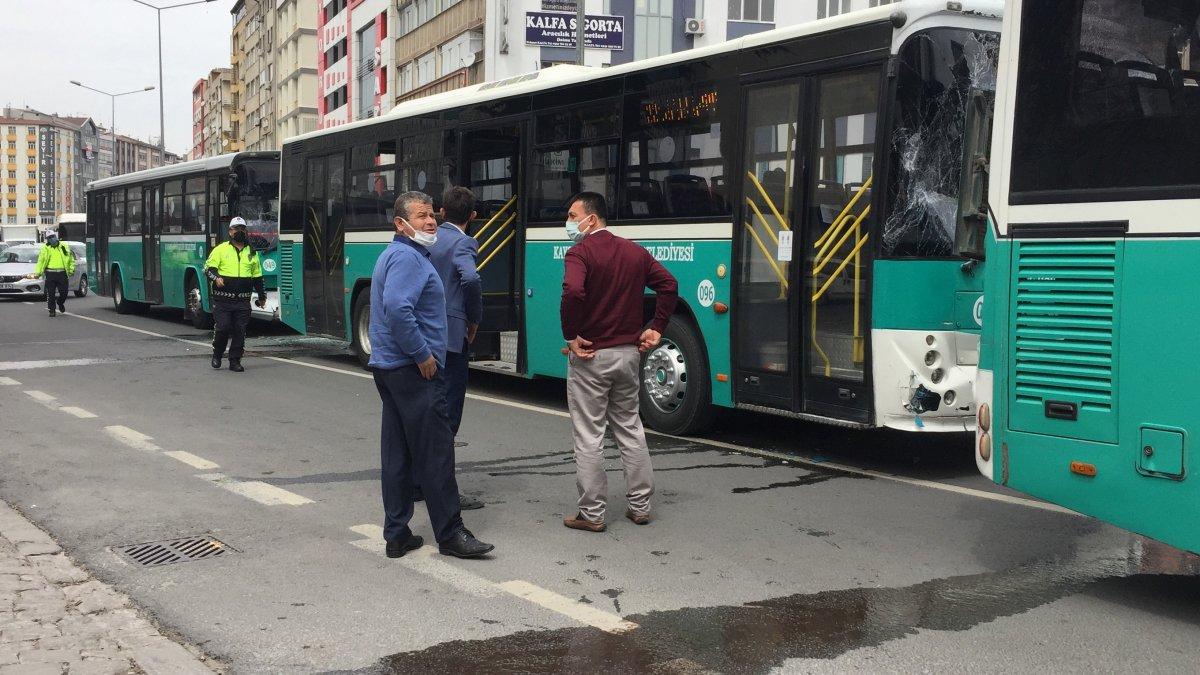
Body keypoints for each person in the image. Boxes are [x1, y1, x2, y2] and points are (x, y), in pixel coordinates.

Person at [369, 190, 494, 560]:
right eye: (421, 216)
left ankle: (397, 533)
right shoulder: (407, 258)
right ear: (400, 224)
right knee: (436, 451)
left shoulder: (396, 254)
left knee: (397, 454)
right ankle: (451, 533)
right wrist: (423, 354)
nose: (429, 222)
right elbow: (397, 308)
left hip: (390, 368)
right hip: (412, 370)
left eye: (431, 216)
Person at [559, 192, 678, 532]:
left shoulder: (579, 253)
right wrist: (657, 328)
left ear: (590, 219)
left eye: (572, 215)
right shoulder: (635, 252)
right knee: (630, 429)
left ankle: (592, 513)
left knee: (589, 435)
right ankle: (640, 506)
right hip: (629, 355)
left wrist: (571, 334)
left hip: (591, 356)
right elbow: (668, 285)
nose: (568, 223)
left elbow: (573, 292)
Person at [425, 186, 486, 510]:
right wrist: (473, 318)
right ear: (473, 216)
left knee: (429, 413)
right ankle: (445, 489)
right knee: (449, 416)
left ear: (442, 212)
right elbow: (471, 279)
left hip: (427, 336)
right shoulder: (463, 242)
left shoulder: (429, 237)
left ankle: (421, 482)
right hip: (451, 339)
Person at [205, 217, 266, 373]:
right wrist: (216, 278)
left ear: (246, 231)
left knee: (240, 330)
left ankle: (235, 360)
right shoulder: (220, 249)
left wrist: (262, 296)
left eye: (242, 229)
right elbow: (208, 269)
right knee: (223, 328)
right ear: (230, 232)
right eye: (236, 229)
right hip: (223, 300)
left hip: (243, 301)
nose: (239, 232)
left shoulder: (252, 252)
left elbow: (257, 276)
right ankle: (217, 354)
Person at [31, 231, 76, 317]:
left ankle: (60, 302)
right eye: (49, 238)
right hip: (50, 273)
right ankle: (52, 310)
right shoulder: (45, 248)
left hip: (62, 273)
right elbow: (41, 261)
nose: (51, 239)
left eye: (52, 236)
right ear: (47, 240)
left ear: (56, 236)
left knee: (64, 292)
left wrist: (71, 269)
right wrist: (38, 273)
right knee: (51, 293)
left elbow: (70, 259)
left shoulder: (63, 246)